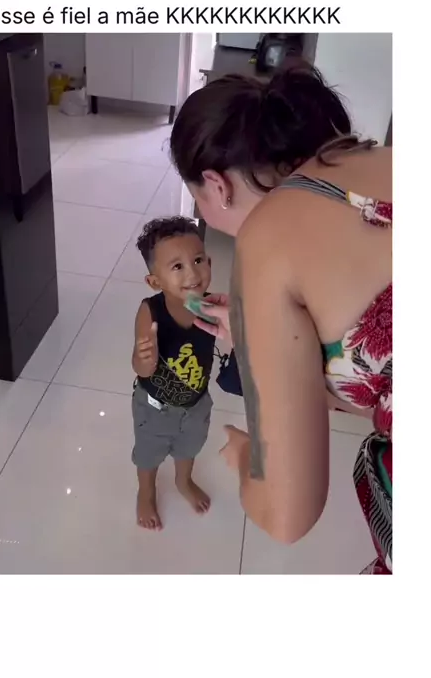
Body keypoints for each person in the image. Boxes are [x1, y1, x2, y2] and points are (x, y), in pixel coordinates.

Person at [169, 61, 392, 574]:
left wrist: (245, 456)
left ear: (216, 185)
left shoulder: (267, 238)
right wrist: (281, 351)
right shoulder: (386, 157)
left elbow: (286, 517)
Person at [131, 216, 216, 531]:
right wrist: (146, 358)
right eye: (177, 266)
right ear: (155, 282)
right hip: (154, 407)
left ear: (209, 262)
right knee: (148, 455)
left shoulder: (212, 307)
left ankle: (183, 480)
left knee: (189, 446)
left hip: (196, 403)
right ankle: (146, 491)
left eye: (198, 260)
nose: (192, 273)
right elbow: (140, 368)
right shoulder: (150, 311)